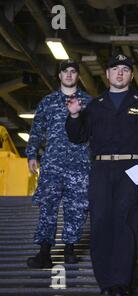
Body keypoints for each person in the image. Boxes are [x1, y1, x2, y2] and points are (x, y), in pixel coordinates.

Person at [65, 53, 138, 296]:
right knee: (100, 223)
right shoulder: (95, 105)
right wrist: (74, 115)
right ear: (106, 74)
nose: (120, 73)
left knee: (125, 224)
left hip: (132, 169)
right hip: (100, 170)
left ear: (131, 75)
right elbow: (77, 137)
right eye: (115, 68)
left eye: (125, 69)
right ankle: (105, 281)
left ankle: (121, 283)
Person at [26, 60, 91, 269]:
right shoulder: (48, 102)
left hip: (80, 165)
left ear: (78, 76)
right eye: (65, 71)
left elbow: (96, 134)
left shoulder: (88, 103)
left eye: (73, 72)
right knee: (48, 207)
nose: (69, 75)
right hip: (52, 164)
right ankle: (44, 252)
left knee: (77, 208)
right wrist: (31, 154)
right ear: (59, 76)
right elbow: (37, 130)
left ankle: (69, 249)